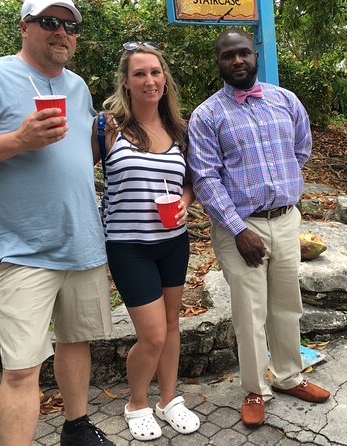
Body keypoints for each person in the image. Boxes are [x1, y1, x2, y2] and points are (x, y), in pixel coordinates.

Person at [0, 0, 115, 445]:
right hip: (23, 249)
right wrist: (19, 138)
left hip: (82, 242)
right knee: (21, 368)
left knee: (77, 343)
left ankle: (76, 428)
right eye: (50, 22)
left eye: (71, 25)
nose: (63, 32)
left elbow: (72, 160)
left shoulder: (77, 87)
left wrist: (103, 144)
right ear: (25, 26)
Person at [187, 28, 331, 427]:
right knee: (250, 314)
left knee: (286, 305)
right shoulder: (207, 115)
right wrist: (238, 228)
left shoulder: (285, 100)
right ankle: (255, 388)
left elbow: (301, 148)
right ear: (218, 62)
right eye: (227, 55)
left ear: (255, 55)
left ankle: (289, 376)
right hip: (240, 228)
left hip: (285, 221)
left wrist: (282, 190)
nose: (237, 61)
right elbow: (205, 179)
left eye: (243, 53)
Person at [93, 41, 200, 441]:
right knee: (152, 334)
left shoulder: (178, 129)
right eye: (140, 73)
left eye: (155, 72)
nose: (149, 80)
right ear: (126, 82)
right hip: (128, 245)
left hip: (173, 241)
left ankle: (168, 399)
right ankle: (136, 402)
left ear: (164, 79)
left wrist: (186, 203)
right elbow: (72, 171)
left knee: (172, 326)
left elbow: (190, 182)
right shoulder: (108, 127)